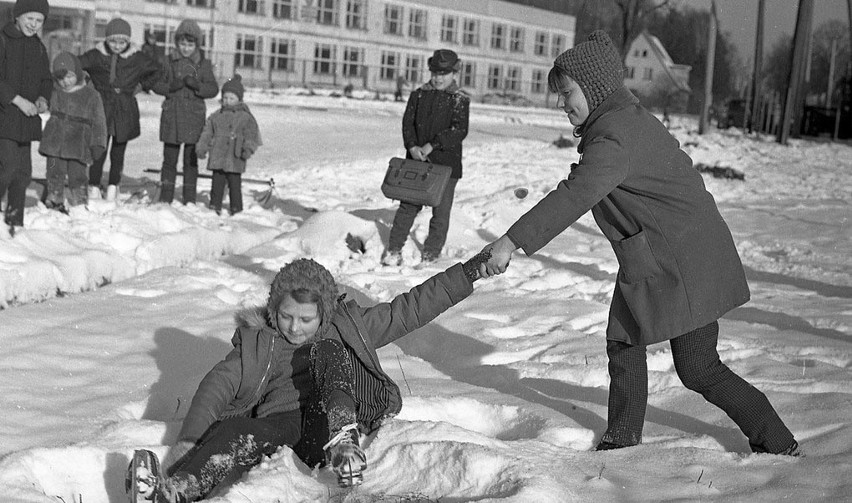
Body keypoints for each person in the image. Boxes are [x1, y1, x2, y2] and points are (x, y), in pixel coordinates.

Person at [478, 31, 800, 456]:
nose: (561, 103)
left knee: (698, 367)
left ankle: (778, 443)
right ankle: (621, 440)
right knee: (625, 340)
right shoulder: (619, 121)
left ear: (592, 89)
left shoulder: (615, 136)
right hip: (655, 254)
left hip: (681, 260)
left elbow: (574, 195)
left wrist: (510, 242)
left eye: (567, 92)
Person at [126, 252, 490, 502]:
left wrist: (469, 272)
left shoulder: (345, 327)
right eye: (285, 316)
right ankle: (173, 491)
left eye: (306, 319)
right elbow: (217, 385)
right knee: (233, 433)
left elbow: (409, 309)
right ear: (273, 310)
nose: (294, 328)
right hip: (281, 429)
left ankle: (345, 441)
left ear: (325, 313)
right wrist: (188, 443)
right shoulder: (258, 342)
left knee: (328, 352)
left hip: (329, 423)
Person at [383, 49, 469, 266]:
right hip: (417, 164)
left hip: (446, 167)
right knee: (407, 208)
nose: (438, 78)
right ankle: (393, 251)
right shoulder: (418, 95)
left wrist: (433, 145)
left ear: (454, 73)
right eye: (435, 73)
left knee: (440, 213)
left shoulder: (459, 99)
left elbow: (459, 130)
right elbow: (407, 124)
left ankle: (431, 255)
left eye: (444, 73)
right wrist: (412, 146)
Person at [79, 17, 161, 202]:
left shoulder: (137, 58)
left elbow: (158, 70)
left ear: (128, 41)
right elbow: (75, 65)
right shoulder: (96, 55)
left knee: (118, 152)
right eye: (113, 41)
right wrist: (86, 83)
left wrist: (141, 86)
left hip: (125, 109)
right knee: (98, 150)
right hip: (102, 108)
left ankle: (113, 186)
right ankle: (93, 186)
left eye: (122, 42)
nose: (117, 46)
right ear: (106, 39)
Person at [151, 19, 219, 206]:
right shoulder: (168, 61)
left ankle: (189, 198)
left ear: (197, 44)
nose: (186, 48)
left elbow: (213, 89)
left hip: (193, 118)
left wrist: (198, 86)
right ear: (176, 43)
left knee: (191, 161)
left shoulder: (203, 64)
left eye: (190, 44)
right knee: (169, 160)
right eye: (182, 44)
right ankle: (166, 197)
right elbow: (155, 84)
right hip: (172, 116)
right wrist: (170, 87)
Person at [0, 0, 52, 236]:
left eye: (39, 20)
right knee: (7, 168)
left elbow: (46, 79)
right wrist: (18, 100)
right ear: (18, 17)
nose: (34, 24)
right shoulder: (3, 39)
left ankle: (14, 222)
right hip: (5, 116)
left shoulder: (38, 47)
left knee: (23, 174)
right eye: (29, 18)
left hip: (26, 120)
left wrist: (43, 97)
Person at [38, 51, 107, 212]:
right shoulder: (54, 91)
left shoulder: (91, 95)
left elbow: (99, 121)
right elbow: (43, 101)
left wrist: (98, 143)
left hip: (79, 142)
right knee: (54, 171)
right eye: (60, 78)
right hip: (55, 141)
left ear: (77, 72)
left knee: (78, 174)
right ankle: (54, 199)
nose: (65, 82)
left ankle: (79, 202)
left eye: (69, 76)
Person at [196, 74, 261, 216]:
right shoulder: (215, 116)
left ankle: (236, 208)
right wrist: (202, 147)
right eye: (225, 98)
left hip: (235, 156)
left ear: (239, 99)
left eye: (231, 98)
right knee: (217, 183)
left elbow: (251, 135)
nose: (227, 101)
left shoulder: (245, 117)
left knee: (234, 185)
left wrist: (248, 149)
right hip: (218, 155)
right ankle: (215, 205)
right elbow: (207, 132)